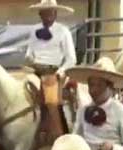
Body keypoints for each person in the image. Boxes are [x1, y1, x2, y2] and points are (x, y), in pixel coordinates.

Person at [23, 0, 76, 137]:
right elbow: (29, 52)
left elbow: (71, 58)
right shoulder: (34, 30)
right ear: (40, 14)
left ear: (55, 13)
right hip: (35, 70)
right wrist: (29, 59)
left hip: (54, 71)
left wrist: (60, 72)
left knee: (51, 100)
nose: (48, 15)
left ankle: (58, 133)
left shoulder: (63, 31)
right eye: (45, 12)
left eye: (51, 12)